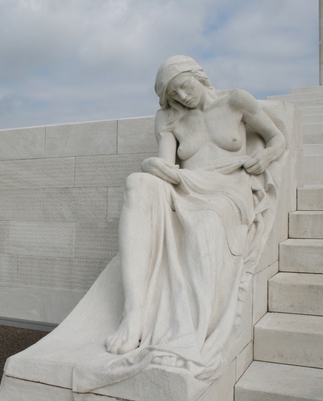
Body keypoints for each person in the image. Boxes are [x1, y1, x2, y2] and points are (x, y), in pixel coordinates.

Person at [104, 55, 286, 377]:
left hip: (228, 188)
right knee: (138, 183)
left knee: (203, 226)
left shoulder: (235, 100)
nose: (183, 97)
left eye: (184, 87)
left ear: (198, 76)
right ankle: (134, 315)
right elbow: (168, 165)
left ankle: (187, 335)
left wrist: (266, 155)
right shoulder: (168, 118)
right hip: (187, 184)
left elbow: (277, 138)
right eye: (173, 95)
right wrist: (152, 167)